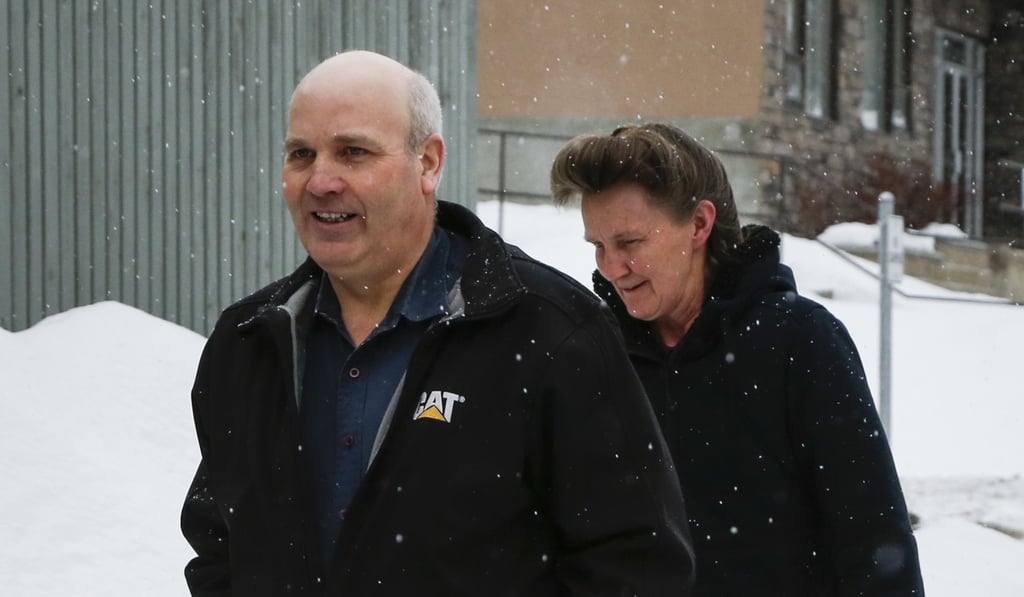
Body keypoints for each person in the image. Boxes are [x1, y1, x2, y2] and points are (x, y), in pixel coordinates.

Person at [181, 52, 695, 596]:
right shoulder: (249, 343)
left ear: (428, 163)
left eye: (353, 152)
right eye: (301, 154)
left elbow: (637, 566)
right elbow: (220, 547)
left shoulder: (549, 332)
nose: (321, 180)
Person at [549, 123, 925, 596]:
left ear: (700, 224)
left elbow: (873, 538)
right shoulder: (593, 355)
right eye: (598, 246)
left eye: (630, 243)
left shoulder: (800, 342)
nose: (611, 266)